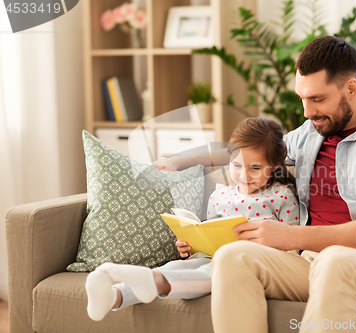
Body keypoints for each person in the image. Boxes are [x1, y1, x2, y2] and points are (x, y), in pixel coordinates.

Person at [207, 36, 356, 333]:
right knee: (232, 256)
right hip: (313, 261)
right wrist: (182, 160)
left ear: (351, 88)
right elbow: (254, 151)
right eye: (302, 98)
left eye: (317, 99)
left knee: (334, 259)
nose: (307, 112)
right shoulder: (310, 132)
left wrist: (292, 237)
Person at [84, 117, 300, 322]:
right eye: (236, 165)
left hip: (245, 265)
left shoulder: (282, 196)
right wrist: (190, 245)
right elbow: (210, 235)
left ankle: (154, 282)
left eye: (255, 168)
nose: (244, 176)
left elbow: (293, 246)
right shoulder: (219, 196)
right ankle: (114, 296)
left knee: (208, 274)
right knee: (175, 265)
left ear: (274, 166)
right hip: (209, 257)